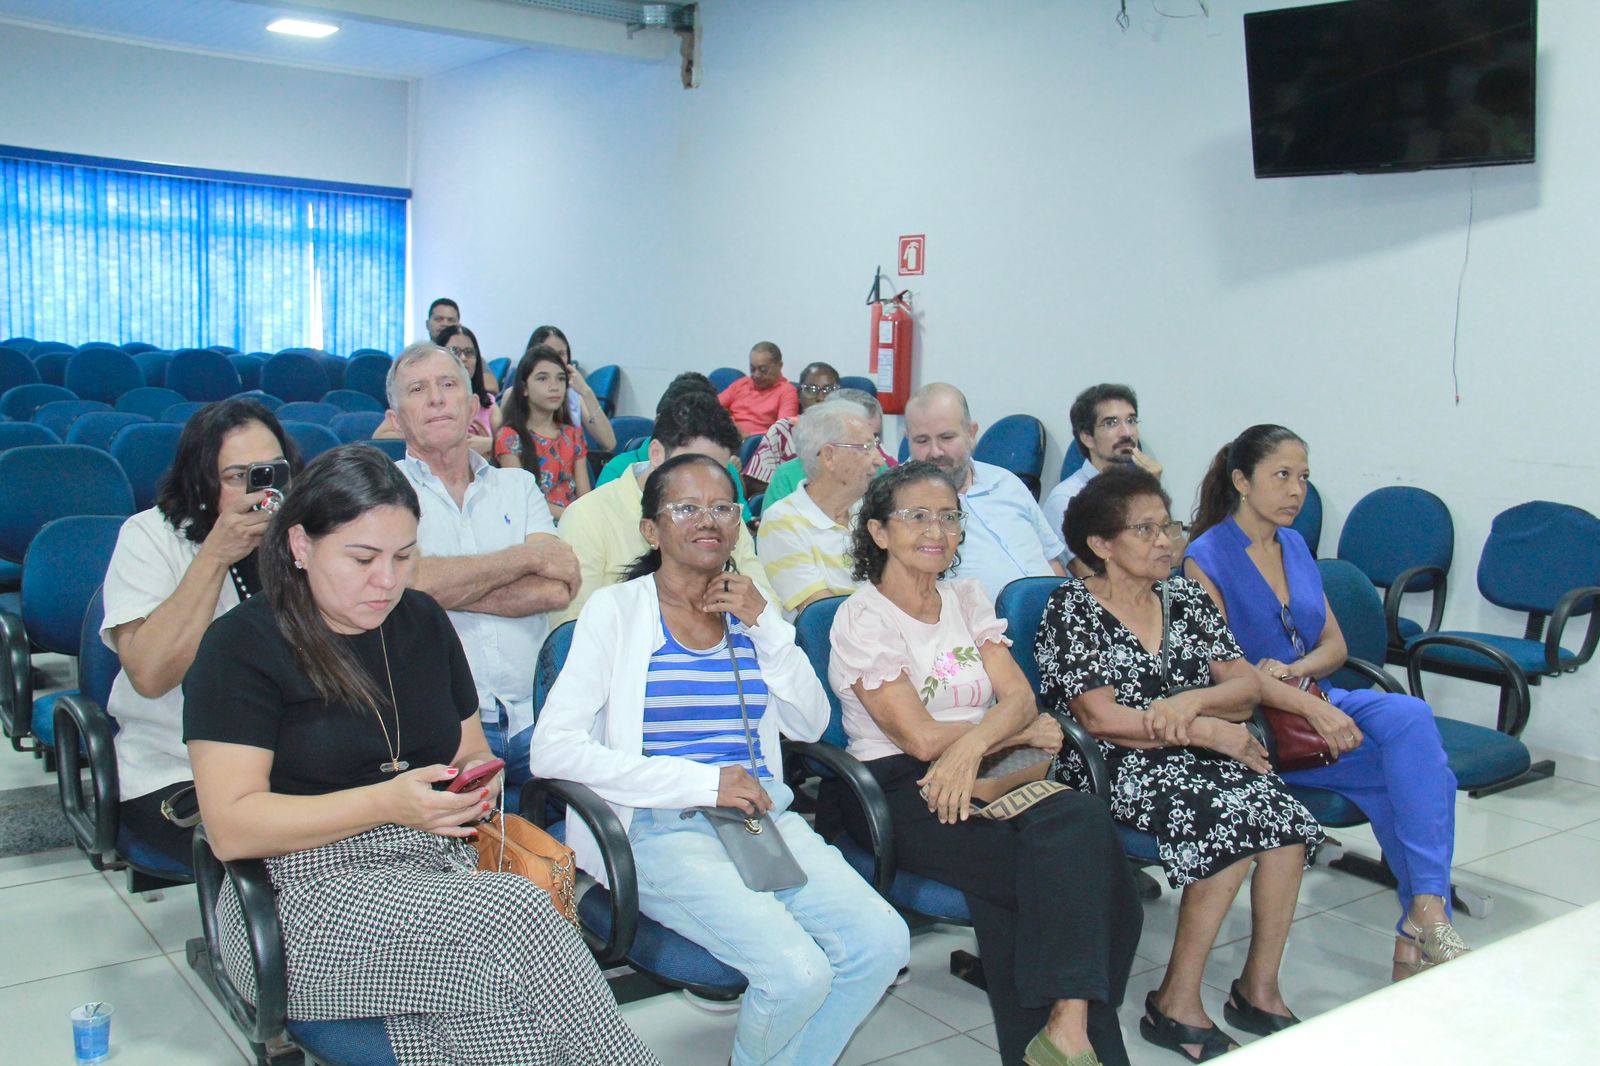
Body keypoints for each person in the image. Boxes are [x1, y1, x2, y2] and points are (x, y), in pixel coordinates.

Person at [183, 446, 657, 1066]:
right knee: (516, 916)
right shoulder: (242, 645)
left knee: (508, 1016)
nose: (388, 580)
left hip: (436, 870)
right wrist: (387, 802)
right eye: (362, 558)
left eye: (404, 557)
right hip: (300, 896)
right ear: (300, 546)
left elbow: (469, 749)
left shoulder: (423, 621)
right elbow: (230, 827)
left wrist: (474, 786)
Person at [533, 452, 909, 1066]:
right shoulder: (617, 613)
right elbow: (554, 749)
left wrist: (766, 627)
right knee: (794, 972)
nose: (707, 519)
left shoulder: (752, 618)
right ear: (652, 530)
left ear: (739, 524)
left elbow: (812, 723)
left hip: (760, 819)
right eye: (686, 507)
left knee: (881, 943)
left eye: (723, 507)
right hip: (657, 825)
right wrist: (702, 783)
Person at [828, 460, 1142, 1066]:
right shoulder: (861, 617)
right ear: (878, 532)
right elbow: (918, 739)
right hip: (897, 789)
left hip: (980, 769)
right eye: (916, 516)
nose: (936, 530)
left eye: (948, 516)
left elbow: (1020, 694)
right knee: (1078, 875)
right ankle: (1071, 1033)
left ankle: (1066, 1027)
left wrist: (976, 745)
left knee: (1079, 825)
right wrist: (1005, 733)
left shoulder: (965, 597)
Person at [1038, 463, 1324, 1062]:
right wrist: (1208, 731)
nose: (1165, 541)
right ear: (1101, 545)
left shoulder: (1187, 597)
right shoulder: (1071, 608)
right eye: (1144, 531)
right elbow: (1100, 718)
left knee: (1286, 822)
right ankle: (1176, 1002)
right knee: (1232, 820)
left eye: (1168, 526)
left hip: (1192, 751)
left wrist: (1193, 704)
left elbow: (1243, 688)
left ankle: (1259, 989)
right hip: (1108, 766)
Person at [1185, 424, 1467, 982]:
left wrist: (1295, 671)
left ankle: (1425, 910)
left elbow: (1334, 646)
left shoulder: (1294, 545)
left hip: (1313, 695)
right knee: (1406, 777)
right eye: (1282, 476)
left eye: (1304, 478)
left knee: (1409, 717)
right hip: (1259, 720)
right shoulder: (1204, 557)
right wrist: (1307, 703)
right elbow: (1228, 671)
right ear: (1242, 481)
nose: (1297, 491)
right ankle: (1424, 917)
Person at [102, 398, 301, 867]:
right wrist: (215, 556)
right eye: (239, 477)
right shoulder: (149, 537)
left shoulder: (300, 536)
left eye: (273, 471)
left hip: (290, 758)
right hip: (179, 767)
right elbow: (149, 675)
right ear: (201, 483)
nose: (261, 490)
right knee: (297, 855)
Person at [390, 342, 580, 793]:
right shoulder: (382, 492)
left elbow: (556, 588)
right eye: (417, 389)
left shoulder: (518, 485)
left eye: (448, 384)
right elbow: (402, 585)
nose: (436, 398)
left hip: (537, 718)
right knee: (479, 861)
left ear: (473, 405)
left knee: (571, 851)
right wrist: (523, 558)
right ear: (395, 419)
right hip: (442, 732)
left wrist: (435, 584)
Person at [555, 391, 773, 624]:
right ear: (656, 453)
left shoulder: (724, 514)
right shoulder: (588, 516)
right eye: (693, 466)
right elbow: (571, 628)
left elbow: (767, 607)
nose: (709, 481)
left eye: (719, 471)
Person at [904, 383, 1065, 600]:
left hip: (1056, 620)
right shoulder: (897, 502)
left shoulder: (1007, 482)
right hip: (979, 629)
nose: (935, 451)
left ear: (971, 434)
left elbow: (1051, 561)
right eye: (922, 441)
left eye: (947, 438)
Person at [756, 398, 882, 620]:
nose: (878, 460)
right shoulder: (782, 522)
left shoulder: (871, 513)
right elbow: (822, 615)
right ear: (829, 456)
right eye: (867, 448)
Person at [1041, 384, 1170, 575]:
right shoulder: (1066, 498)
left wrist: (1151, 491)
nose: (1127, 432)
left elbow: (1173, 557)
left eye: (1131, 420)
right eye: (1111, 423)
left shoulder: (1145, 483)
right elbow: (1094, 578)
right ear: (1087, 437)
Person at [495, 345, 591, 520]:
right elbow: (520, 499)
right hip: (531, 525)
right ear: (524, 388)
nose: (554, 387)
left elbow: (585, 497)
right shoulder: (510, 436)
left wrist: (582, 520)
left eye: (560, 379)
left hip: (573, 524)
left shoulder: (573, 434)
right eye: (542, 379)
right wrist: (572, 517)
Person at [761, 388, 896, 508]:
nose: (878, 459)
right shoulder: (787, 475)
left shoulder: (880, 470)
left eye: (875, 439)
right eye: (865, 445)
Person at [743, 360, 839, 494]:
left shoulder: (852, 432)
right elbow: (755, 484)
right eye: (811, 389)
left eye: (828, 390)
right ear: (799, 395)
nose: (821, 397)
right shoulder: (783, 431)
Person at [523, 324, 616, 452]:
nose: (555, 359)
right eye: (548, 352)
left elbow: (609, 443)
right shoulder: (517, 393)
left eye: (561, 354)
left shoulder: (572, 394)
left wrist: (586, 391)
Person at [719, 341, 799, 437]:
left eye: (763, 370)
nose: (756, 375)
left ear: (779, 366)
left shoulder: (787, 391)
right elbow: (713, 406)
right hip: (726, 436)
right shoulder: (742, 383)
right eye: (752, 369)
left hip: (755, 445)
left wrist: (747, 435)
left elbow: (783, 431)